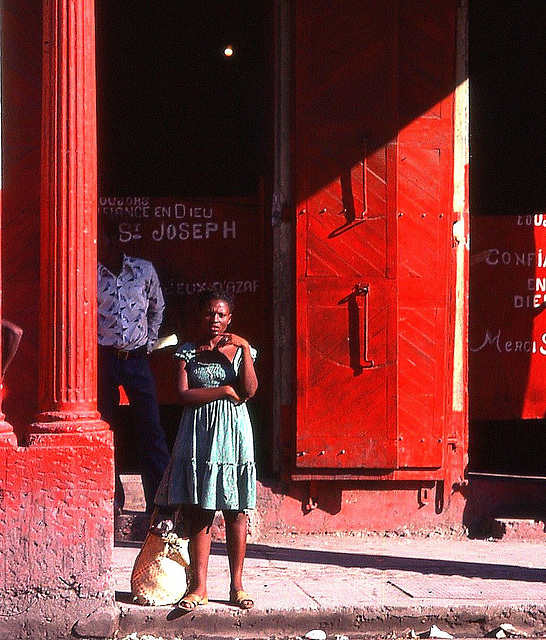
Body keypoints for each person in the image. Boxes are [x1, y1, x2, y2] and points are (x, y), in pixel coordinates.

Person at [154, 287, 258, 611]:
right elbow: (184, 395)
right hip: (198, 433)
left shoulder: (242, 351)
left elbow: (250, 390)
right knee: (201, 509)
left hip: (234, 432)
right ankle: (199, 587)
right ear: (202, 316)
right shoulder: (188, 351)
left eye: (221, 314)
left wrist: (242, 348)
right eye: (210, 313)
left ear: (230, 318)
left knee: (236, 511)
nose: (215, 320)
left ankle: (237, 586)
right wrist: (223, 389)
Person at [97, 220, 170, 514]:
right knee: (105, 428)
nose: (100, 246)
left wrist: (149, 343)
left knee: (151, 429)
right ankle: (112, 502)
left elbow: (157, 307)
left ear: (116, 239)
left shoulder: (142, 270)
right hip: (104, 360)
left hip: (137, 359)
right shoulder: (89, 273)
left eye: (104, 239)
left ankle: (161, 503)